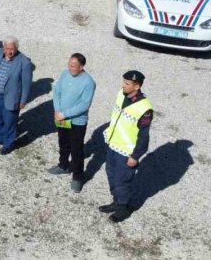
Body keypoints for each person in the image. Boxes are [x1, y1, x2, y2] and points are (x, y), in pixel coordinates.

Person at [99, 70, 153, 223]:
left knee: (121, 181)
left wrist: (135, 156)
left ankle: (123, 208)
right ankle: (116, 201)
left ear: (137, 86)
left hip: (127, 151)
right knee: (111, 174)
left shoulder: (144, 108)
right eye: (124, 82)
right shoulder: (121, 94)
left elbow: (144, 135)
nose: (123, 85)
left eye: (127, 84)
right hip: (113, 144)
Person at [48, 53, 96, 193]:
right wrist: (58, 111)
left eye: (73, 66)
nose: (70, 68)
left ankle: (77, 177)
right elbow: (57, 92)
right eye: (69, 65)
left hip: (77, 122)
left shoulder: (89, 83)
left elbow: (84, 105)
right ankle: (63, 165)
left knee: (77, 150)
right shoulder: (65, 73)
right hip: (62, 118)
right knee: (63, 143)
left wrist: (64, 114)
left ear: (81, 67)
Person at [0, 36, 33, 155]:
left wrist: (23, 100)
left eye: (12, 49)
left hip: (11, 97)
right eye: (7, 48)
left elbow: (26, 84)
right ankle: (0, 137)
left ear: (17, 48)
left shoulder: (24, 63)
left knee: (9, 122)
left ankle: (8, 144)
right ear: (3, 47)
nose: (9, 52)